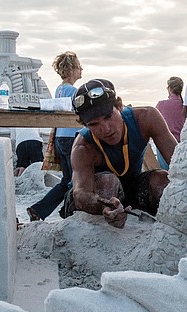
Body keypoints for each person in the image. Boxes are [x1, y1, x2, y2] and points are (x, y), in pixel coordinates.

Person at [65, 79, 177, 228]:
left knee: (161, 180)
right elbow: (80, 193)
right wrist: (102, 206)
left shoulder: (146, 118)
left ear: (119, 106)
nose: (106, 129)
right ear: (85, 125)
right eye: (94, 124)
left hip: (130, 189)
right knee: (107, 182)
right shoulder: (83, 147)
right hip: (97, 196)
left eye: (108, 116)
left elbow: (180, 164)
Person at [26, 51, 83, 221]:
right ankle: (70, 211)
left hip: (59, 138)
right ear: (72, 69)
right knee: (76, 179)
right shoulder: (74, 91)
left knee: (66, 180)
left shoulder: (59, 89)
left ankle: (39, 210)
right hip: (72, 137)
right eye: (79, 67)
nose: (82, 71)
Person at [154, 76, 185, 169]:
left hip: (164, 144)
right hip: (182, 144)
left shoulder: (161, 105)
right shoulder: (185, 105)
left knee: (166, 175)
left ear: (170, 89)